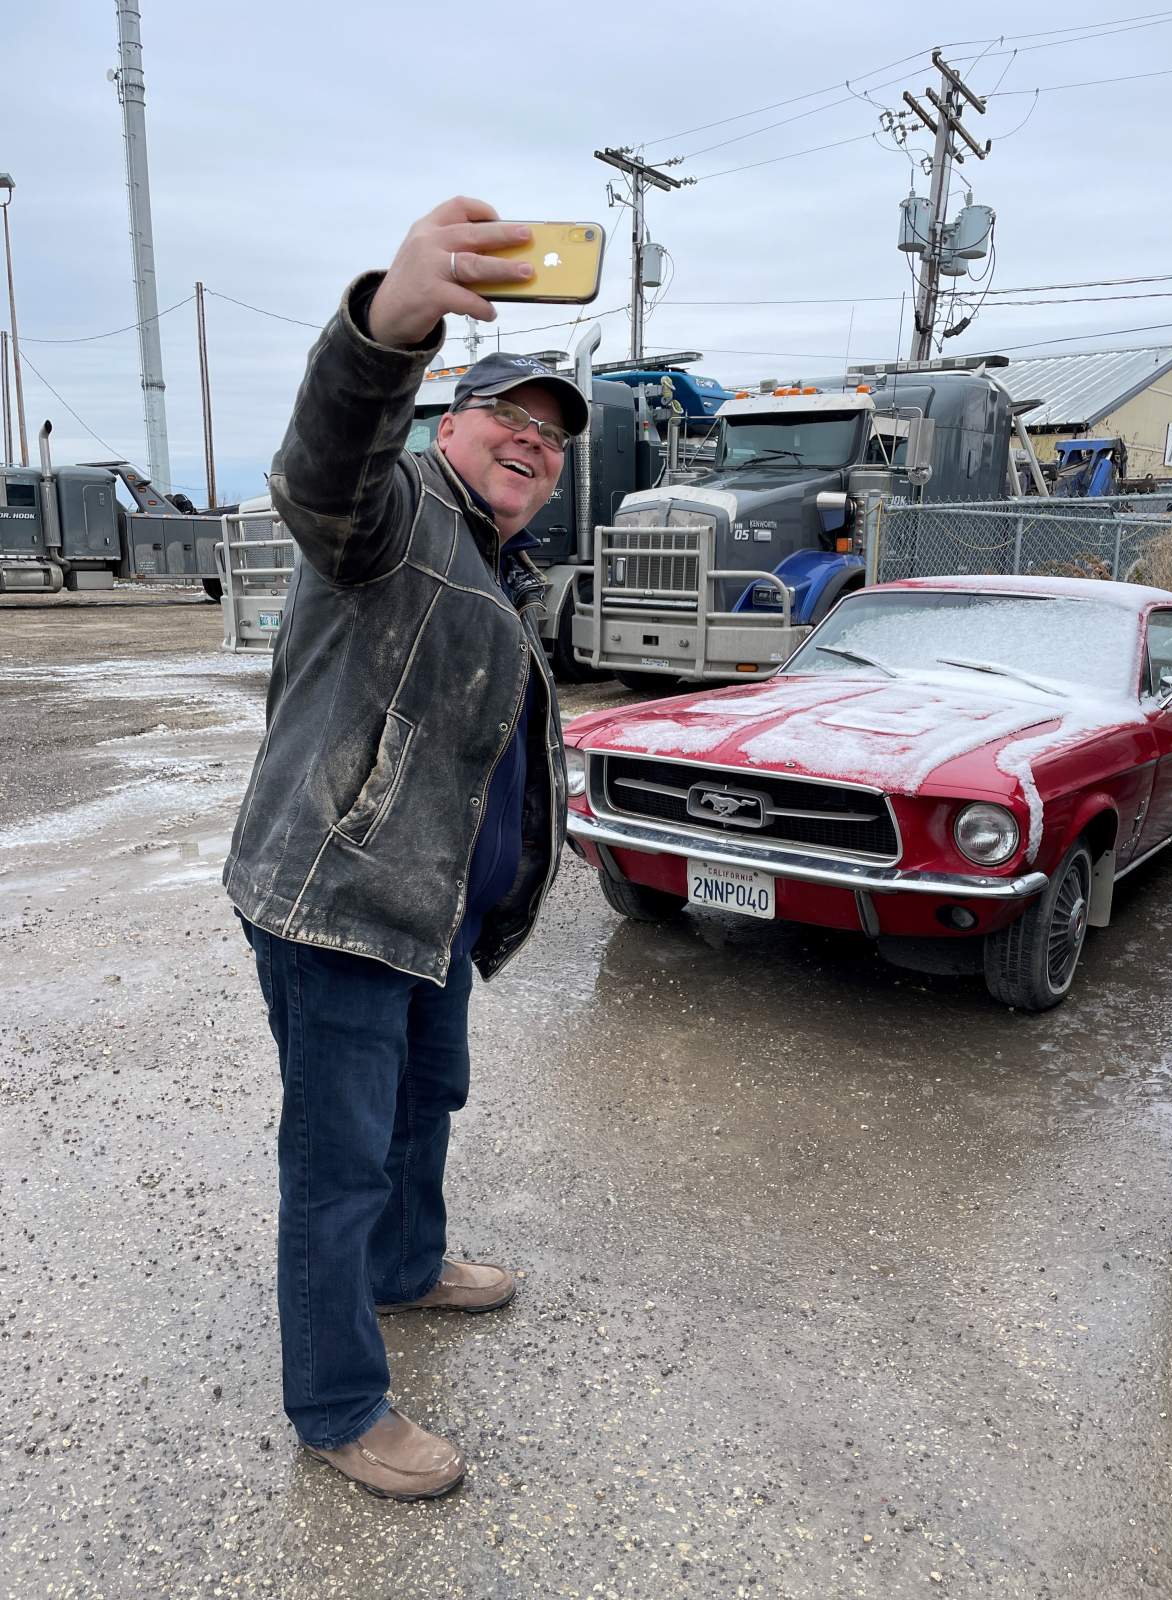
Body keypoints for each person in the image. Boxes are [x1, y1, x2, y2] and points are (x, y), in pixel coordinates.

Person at [223, 197, 589, 1501]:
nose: (533, 447)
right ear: (449, 421)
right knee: (335, 1160)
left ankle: (407, 1263)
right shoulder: (387, 518)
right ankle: (336, 1405)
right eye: (511, 418)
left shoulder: (504, 562)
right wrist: (391, 324)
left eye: (553, 440)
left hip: (429, 910)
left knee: (424, 1107)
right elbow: (322, 462)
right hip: (340, 903)